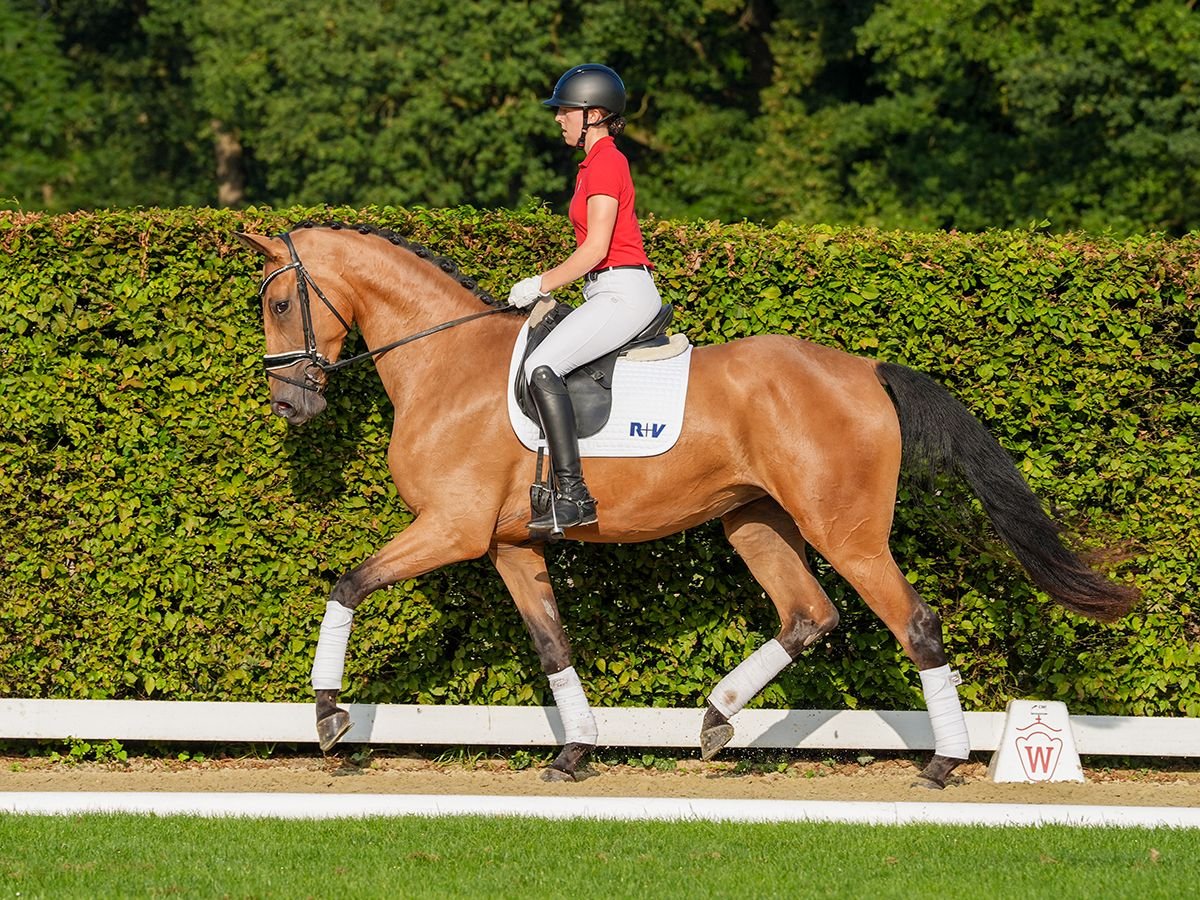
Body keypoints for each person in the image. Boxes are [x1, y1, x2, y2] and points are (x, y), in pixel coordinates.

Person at [507, 63, 662, 535]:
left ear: (594, 114)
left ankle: (573, 493)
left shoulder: (607, 162)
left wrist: (541, 283)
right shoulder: (591, 165)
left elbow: (595, 248)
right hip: (606, 289)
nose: (559, 118)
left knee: (541, 367)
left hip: (623, 292)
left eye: (566, 111)